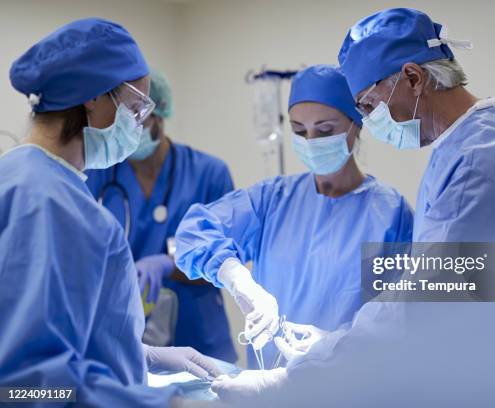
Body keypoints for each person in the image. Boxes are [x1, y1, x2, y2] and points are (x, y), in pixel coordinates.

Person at [210, 9, 495, 406]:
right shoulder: (481, 136)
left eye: (368, 106)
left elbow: (423, 304)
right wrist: (332, 344)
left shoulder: (475, 163)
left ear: (414, 78)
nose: (370, 120)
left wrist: (295, 377)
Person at [0, 18, 220, 407]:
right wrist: (163, 404)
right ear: (94, 97)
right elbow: (25, 386)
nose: (138, 126)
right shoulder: (54, 206)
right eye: (136, 108)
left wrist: (140, 357)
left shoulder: (18, 177)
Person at [175, 64, 414, 368]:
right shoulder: (271, 200)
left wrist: (336, 345)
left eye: (325, 130)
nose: (311, 140)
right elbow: (194, 232)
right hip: (270, 389)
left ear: (357, 123)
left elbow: (401, 316)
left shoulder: (390, 215)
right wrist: (236, 278)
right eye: (299, 131)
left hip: (354, 386)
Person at [86, 71, 237, 363]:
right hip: (125, 340)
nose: (132, 130)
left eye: (139, 119)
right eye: (123, 122)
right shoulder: (97, 174)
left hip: (200, 338)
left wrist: (170, 264)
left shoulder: (208, 173)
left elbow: (228, 260)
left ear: (160, 113)